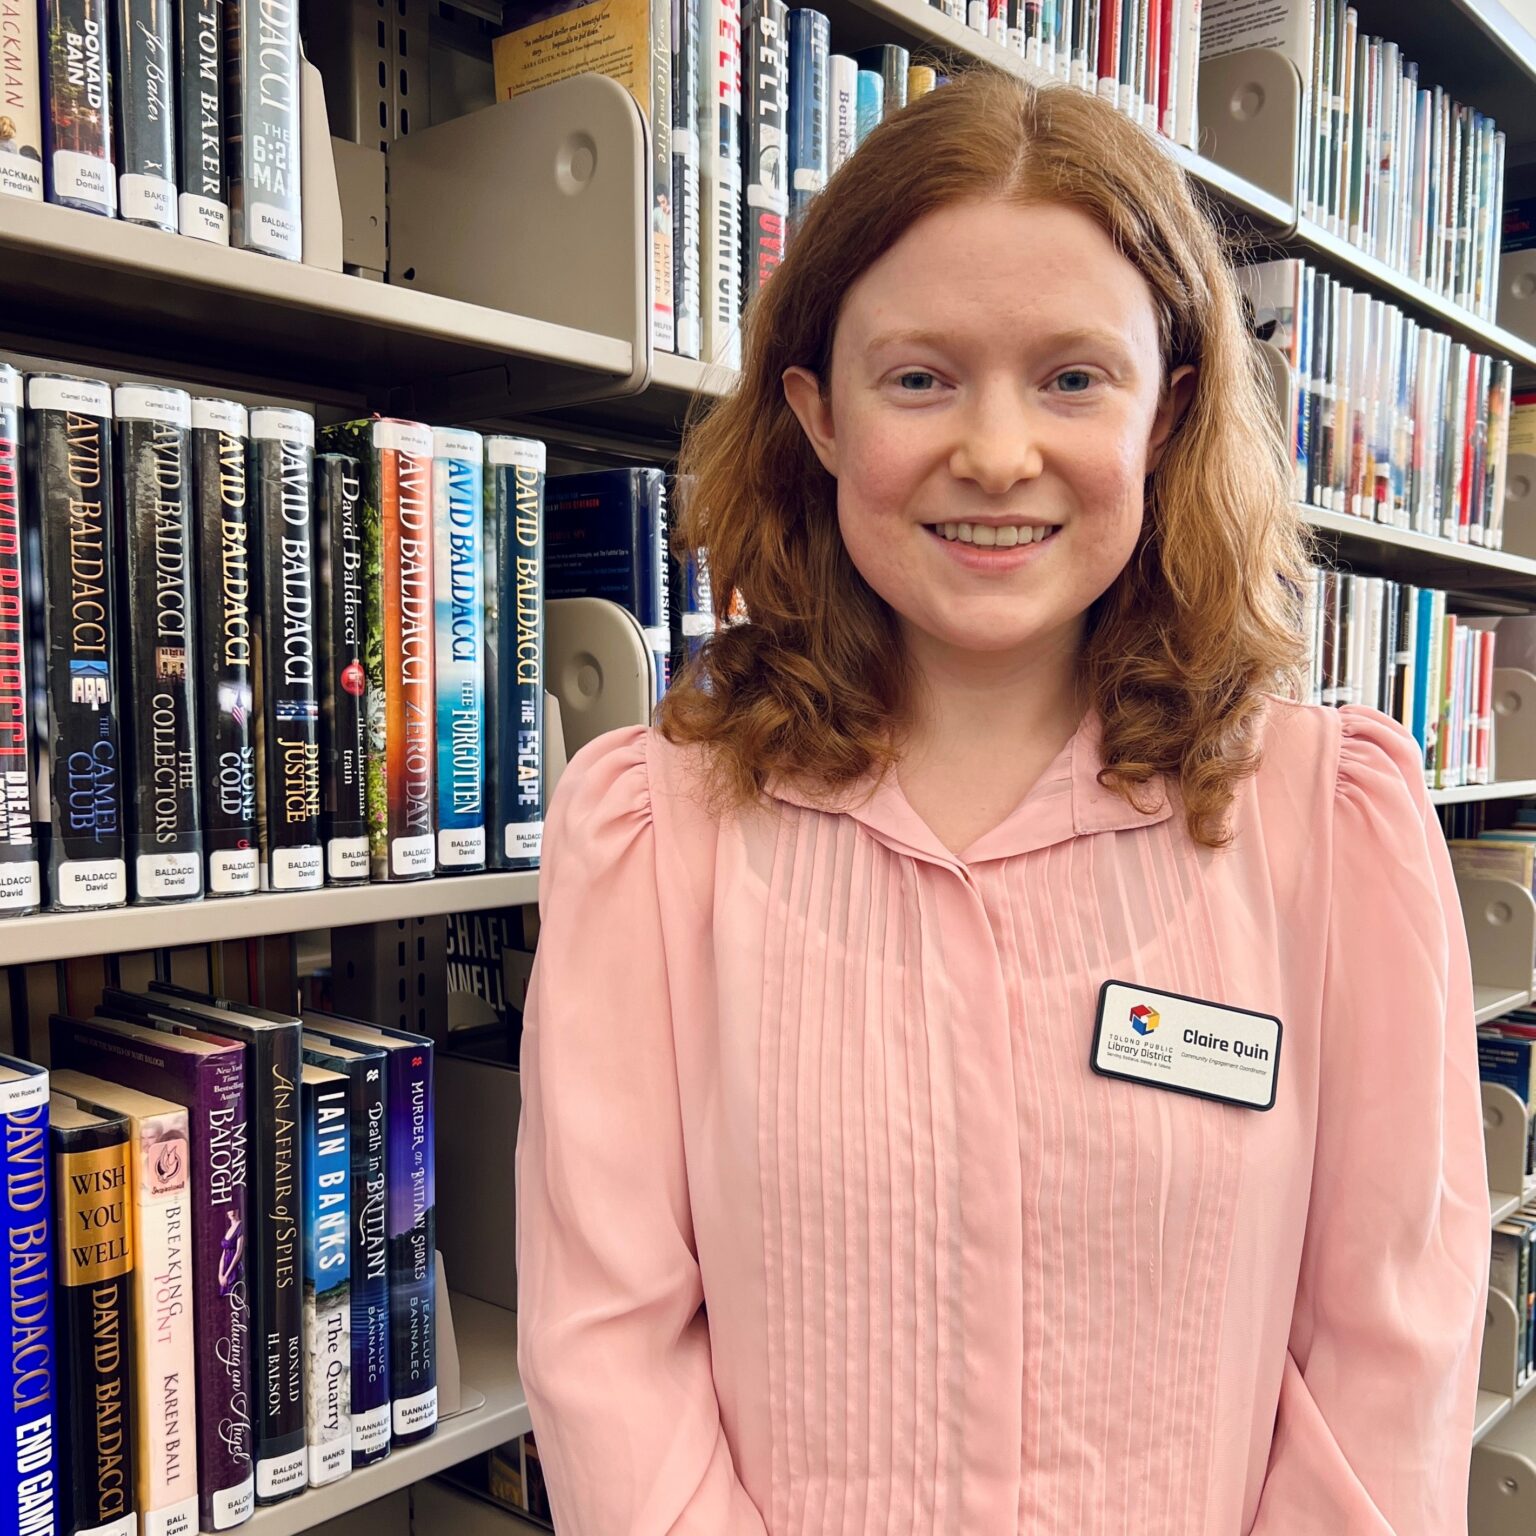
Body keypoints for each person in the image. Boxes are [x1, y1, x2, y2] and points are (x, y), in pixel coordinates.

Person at [514, 69, 1489, 1535]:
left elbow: (1391, 1350)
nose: (994, 449)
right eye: (920, 377)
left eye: (1071, 377)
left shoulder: (1326, 822)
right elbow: (608, 1348)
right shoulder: (657, 835)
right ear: (819, 414)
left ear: (1163, 416)